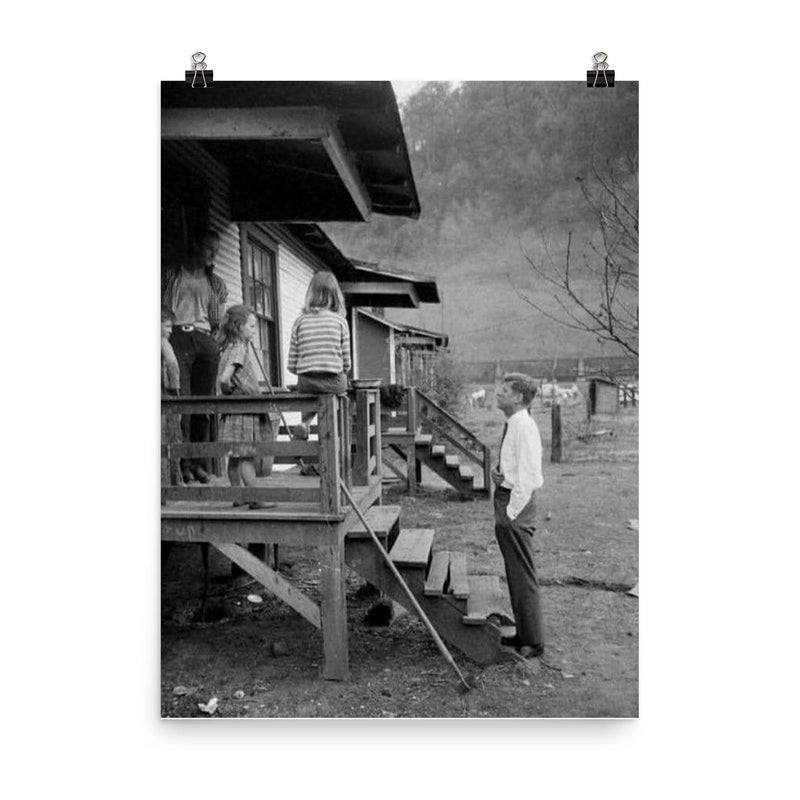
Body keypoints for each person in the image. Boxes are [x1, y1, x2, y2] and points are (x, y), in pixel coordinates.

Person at [162, 229, 228, 484]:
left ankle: (200, 463)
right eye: (209, 249)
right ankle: (183, 464)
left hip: (204, 338)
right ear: (196, 247)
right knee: (184, 404)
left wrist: (214, 343)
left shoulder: (217, 283)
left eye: (217, 251)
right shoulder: (170, 274)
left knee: (203, 405)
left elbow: (219, 320)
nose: (213, 255)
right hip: (177, 336)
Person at [491, 373, 546, 659]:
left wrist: (511, 512)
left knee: (523, 574)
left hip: (516, 507)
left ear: (519, 398)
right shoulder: (513, 424)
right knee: (515, 573)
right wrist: (497, 475)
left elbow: (529, 476)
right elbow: (513, 470)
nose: (498, 393)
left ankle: (534, 641)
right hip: (507, 499)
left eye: (505, 390)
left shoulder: (525, 427)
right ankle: (524, 633)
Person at [216, 305, 276, 510]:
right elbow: (225, 378)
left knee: (234, 457)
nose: (254, 330)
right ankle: (255, 498)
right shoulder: (239, 348)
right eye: (251, 326)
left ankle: (237, 495)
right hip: (243, 410)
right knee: (246, 457)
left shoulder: (228, 348)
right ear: (238, 326)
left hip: (232, 412)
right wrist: (229, 391)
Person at [287, 271, 351, 440]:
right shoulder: (340, 322)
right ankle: (336, 430)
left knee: (308, 395)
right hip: (333, 382)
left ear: (311, 294)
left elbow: (292, 364)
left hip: (307, 382)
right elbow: (346, 362)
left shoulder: (300, 321)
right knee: (341, 390)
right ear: (335, 296)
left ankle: (305, 424)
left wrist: (309, 370)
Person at [161, 307, 181, 486]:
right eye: (167, 326)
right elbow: (172, 364)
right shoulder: (163, 343)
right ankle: (170, 483)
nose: (170, 331)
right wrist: (175, 388)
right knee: (169, 438)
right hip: (165, 394)